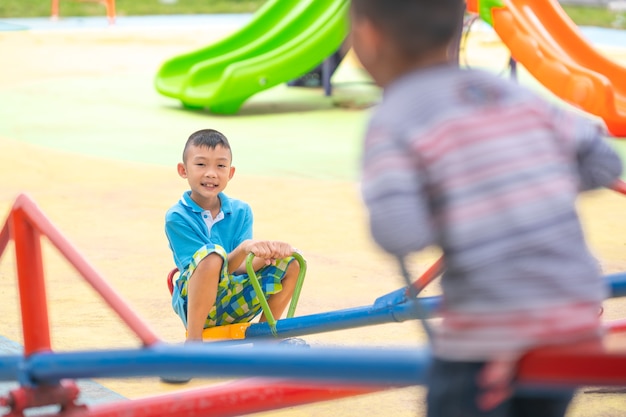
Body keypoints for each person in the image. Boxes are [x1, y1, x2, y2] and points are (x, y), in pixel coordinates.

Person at [350, 1, 623, 416]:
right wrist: (526, 192)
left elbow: (398, 232)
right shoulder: (508, 92)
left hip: (493, 336)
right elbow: (604, 162)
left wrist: (467, 202)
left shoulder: (395, 117)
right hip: (576, 321)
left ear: (368, 36)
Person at [165, 128, 300, 343]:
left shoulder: (241, 211)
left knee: (292, 261)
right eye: (201, 164)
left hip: (235, 299)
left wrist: (268, 254)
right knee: (212, 255)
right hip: (198, 306)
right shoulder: (177, 217)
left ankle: (267, 337)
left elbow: (240, 266)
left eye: (220, 166)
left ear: (231, 172)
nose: (211, 173)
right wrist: (244, 248)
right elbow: (209, 268)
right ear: (183, 170)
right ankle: (193, 343)